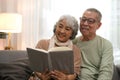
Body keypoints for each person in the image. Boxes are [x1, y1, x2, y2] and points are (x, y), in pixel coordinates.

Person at [29, 15, 81, 80]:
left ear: (72, 33)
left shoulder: (76, 50)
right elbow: (36, 66)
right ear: (56, 27)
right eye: (60, 26)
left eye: (67, 29)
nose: (62, 31)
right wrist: (41, 76)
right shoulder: (42, 43)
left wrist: (66, 78)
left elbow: (75, 73)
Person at [73, 8, 114, 80]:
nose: (85, 23)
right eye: (83, 19)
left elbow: (106, 73)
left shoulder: (105, 45)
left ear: (99, 25)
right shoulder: (73, 42)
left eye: (90, 21)